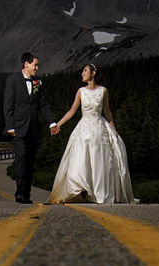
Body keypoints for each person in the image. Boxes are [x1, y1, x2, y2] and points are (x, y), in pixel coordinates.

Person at [47, 64, 134, 204]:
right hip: (84, 128)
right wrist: (58, 124)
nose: (82, 73)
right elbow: (72, 111)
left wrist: (114, 129)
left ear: (93, 73)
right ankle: (80, 188)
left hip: (99, 127)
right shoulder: (81, 91)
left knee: (99, 159)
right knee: (80, 158)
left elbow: (107, 112)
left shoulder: (103, 91)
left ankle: (95, 191)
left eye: (85, 71)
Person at [2, 52, 59, 204]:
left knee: (30, 162)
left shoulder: (37, 82)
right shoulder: (12, 79)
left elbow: (43, 105)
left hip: (33, 129)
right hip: (18, 129)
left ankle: (26, 194)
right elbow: (8, 104)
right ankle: (19, 193)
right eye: (35, 65)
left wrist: (52, 123)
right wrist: (10, 126)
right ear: (26, 64)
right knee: (21, 159)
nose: (37, 68)